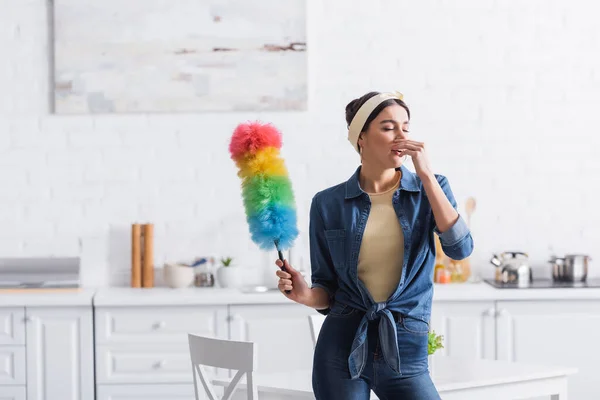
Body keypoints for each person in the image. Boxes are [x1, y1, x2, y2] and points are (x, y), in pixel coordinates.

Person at [275, 90, 474, 399]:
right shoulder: (328, 203)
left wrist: (426, 177)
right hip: (340, 349)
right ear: (361, 137)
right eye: (388, 126)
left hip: (406, 347)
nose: (401, 136)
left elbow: (460, 249)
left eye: (405, 127)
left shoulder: (431, 188)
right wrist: (304, 295)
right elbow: (327, 289)